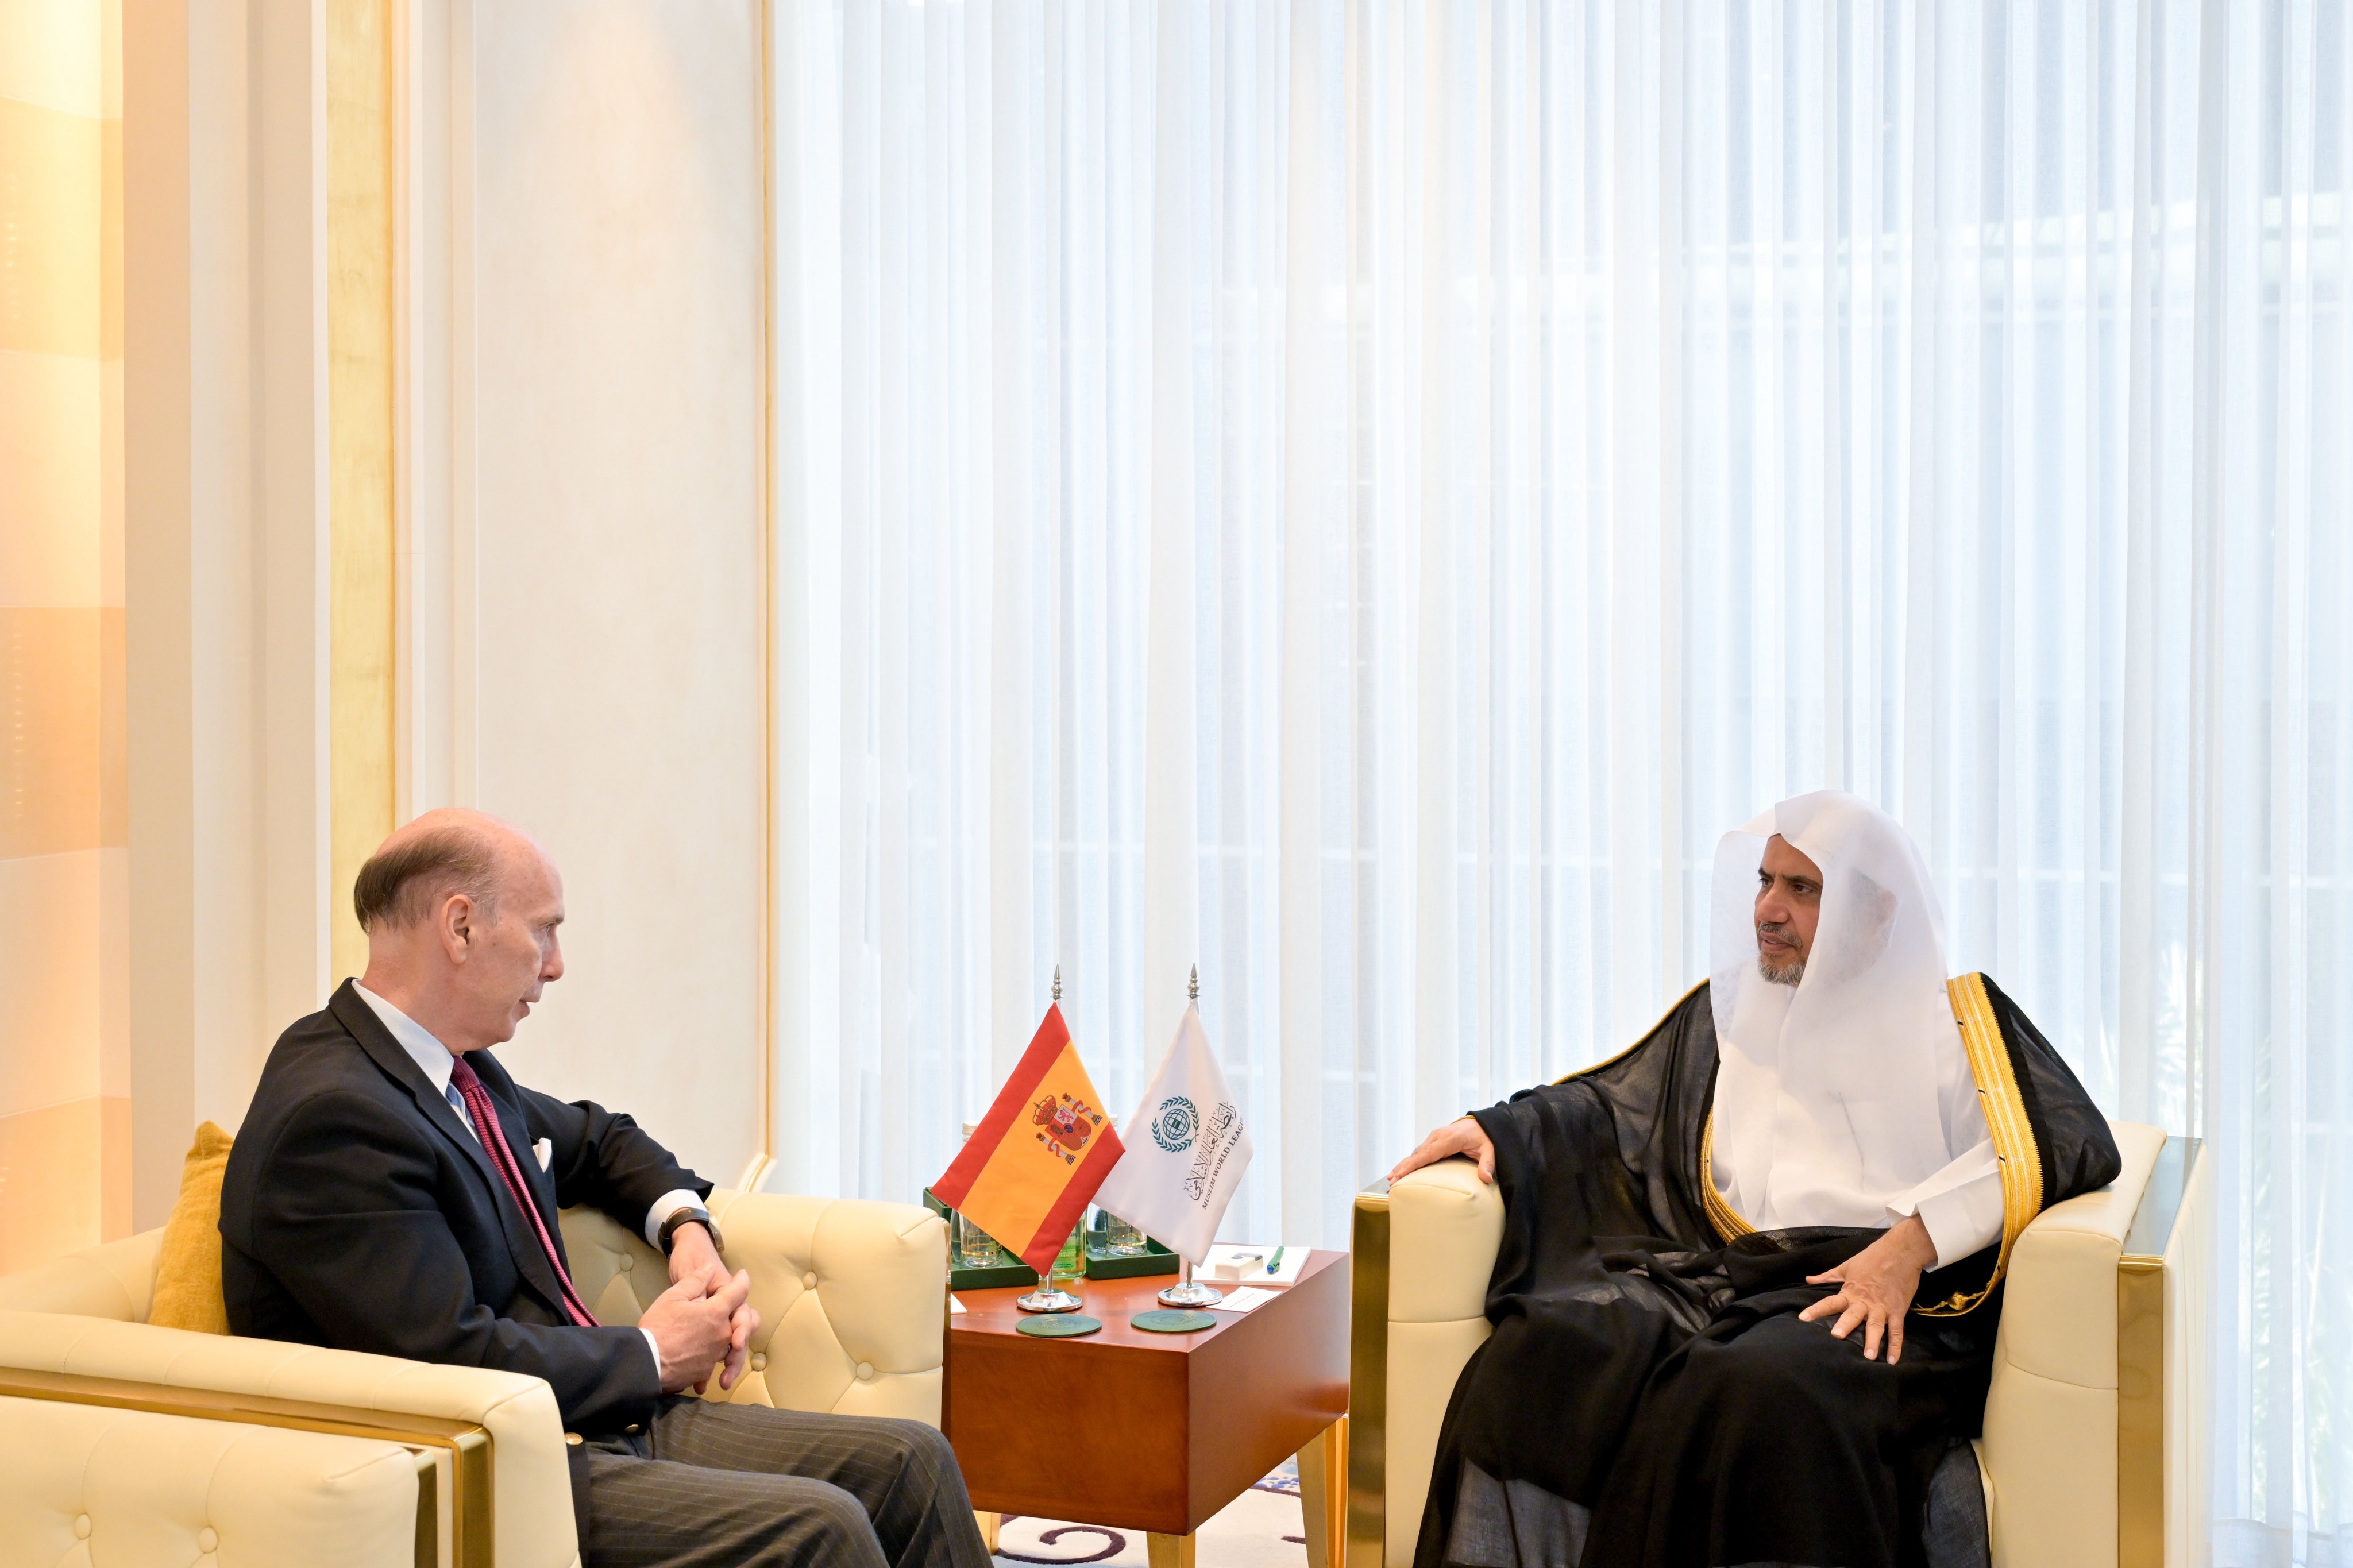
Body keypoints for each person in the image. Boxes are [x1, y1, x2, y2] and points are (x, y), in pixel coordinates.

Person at [219, 808, 991, 1568]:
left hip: (587, 1420)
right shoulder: (336, 1117)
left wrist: (689, 1229)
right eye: (543, 930)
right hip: (496, 1475)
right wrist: (654, 1353)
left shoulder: (452, 1067)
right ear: (460, 928)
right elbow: (446, 1360)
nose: (555, 965)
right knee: (821, 1528)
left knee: (912, 1463)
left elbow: (601, 1139)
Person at [1388, 791, 2121, 1568]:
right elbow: (1616, 1106)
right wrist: (1506, 1129)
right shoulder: (1736, 1010)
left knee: (1755, 1390)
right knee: (1541, 1356)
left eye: (1803, 889)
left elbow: (2061, 1138)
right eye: (1766, 881)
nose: (1768, 909)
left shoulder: (1956, 1022)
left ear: (1875, 914)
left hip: (1880, 1299)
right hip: (1728, 1278)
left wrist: (1912, 1244)